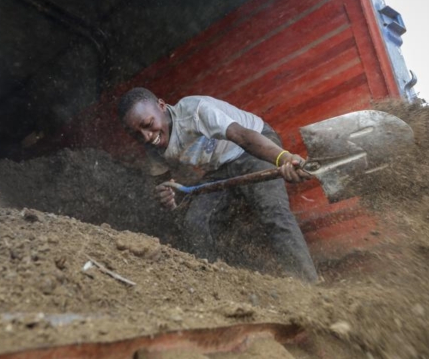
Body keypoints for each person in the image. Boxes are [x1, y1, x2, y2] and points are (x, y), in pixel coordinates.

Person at [118, 87, 318, 282]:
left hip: (253, 147)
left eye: (148, 124)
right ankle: (215, 287)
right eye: (137, 134)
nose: (146, 136)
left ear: (161, 106)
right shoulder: (153, 147)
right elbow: (161, 181)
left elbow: (242, 136)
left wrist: (283, 159)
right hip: (219, 168)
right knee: (195, 222)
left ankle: (308, 286)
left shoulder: (196, 111)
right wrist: (165, 196)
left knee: (273, 211)